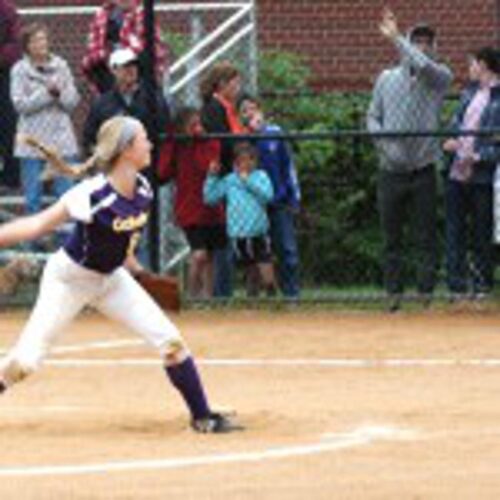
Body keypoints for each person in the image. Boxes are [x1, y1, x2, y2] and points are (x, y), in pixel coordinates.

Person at [0, 115, 239, 434]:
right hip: (69, 280)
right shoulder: (91, 194)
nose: (150, 143)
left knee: (170, 342)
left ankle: (203, 417)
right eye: (143, 139)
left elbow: (124, 246)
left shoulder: (143, 190)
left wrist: (140, 274)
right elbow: (36, 225)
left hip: (112, 280)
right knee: (25, 363)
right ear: (127, 149)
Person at [366, 9, 453, 311]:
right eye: (417, 40)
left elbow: (423, 66)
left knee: (425, 235)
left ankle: (425, 294)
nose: (422, 45)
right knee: (391, 237)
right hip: (391, 169)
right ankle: (393, 295)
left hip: (423, 168)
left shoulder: (440, 77)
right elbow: (372, 116)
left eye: (428, 41)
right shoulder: (386, 78)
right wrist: (384, 146)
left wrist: (396, 38)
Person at [443, 47, 500, 298]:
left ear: (485, 65)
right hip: (457, 172)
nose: (470, 69)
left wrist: (479, 156)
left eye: (473, 64)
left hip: (482, 175)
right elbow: (456, 123)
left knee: (481, 230)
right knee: (455, 229)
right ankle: (456, 285)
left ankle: (482, 284)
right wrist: (452, 141)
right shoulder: (468, 93)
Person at [11, 23, 80, 220]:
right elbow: (20, 105)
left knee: (66, 197)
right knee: (33, 199)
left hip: (61, 141)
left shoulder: (62, 66)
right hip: (32, 142)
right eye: (36, 40)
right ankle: (33, 247)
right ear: (27, 46)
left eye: (43, 39)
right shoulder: (19, 70)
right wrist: (46, 94)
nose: (41, 44)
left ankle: (66, 243)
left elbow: (72, 102)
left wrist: (59, 94)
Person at [158, 107, 226, 299]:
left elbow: (206, 166)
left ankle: (208, 297)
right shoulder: (178, 145)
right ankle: (191, 295)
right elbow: (163, 172)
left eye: (199, 123)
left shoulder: (210, 142)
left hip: (211, 208)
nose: (198, 128)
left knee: (210, 255)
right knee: (199, 255)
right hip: (189, 208)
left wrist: (198, 141)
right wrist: (173, 142)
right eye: (192, 125)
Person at [239, 95, 301, 299]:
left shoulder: (274, 134)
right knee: (255, 252)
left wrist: (293, 197)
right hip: (253, 205)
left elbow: (287, 167)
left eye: (253, 109)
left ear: (261, 111)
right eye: (244, 111)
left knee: (287, 249)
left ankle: (291, 294)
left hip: (279, 201)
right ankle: (256, 297)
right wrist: (251, 135)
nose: (250, 114)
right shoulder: (241, 138)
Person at [204, 142, 277, 297]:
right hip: (239, 235)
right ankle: (252, 299)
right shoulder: (230, 180)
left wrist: (247, 181)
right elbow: (210, 198)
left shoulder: (261, 176)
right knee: (251, 269)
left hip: (258, 232)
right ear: (235, 163)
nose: (246, 164)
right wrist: (211, 176)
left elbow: (268, 196)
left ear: (255, 161)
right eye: (241, 160)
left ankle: (272, 294)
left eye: (250, 160)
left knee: (265, 267)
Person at [200, 61, 246, 298]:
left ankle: (224, 291)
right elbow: (222, 143)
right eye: (234, 83)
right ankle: (221, 293)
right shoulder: (213, 109)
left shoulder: (228, 108)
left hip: (233, 177)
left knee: (230, 236)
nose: (238, 88)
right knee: (222, 238)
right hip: (223, 177)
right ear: (221, 85)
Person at [83, 47, 170, 158]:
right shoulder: (102, 104)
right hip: (115, 168)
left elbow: (164, 132)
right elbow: (89, 138)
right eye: (125, 66)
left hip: (147, 165)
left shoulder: (153, 98)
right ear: (113, 70)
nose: (131, 69)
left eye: (134, 65)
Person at [81, 0, 169, 94]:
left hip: (138, 75)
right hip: (108, 72)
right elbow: (92, 50)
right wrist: (106, 56)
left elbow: (154, 52)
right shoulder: (102, 16)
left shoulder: (143, 15)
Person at [0, 0, 21, 189]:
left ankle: (10, 177)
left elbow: (15, 45)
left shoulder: (7, 10)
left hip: (3, 74)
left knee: (8, 125)